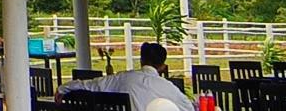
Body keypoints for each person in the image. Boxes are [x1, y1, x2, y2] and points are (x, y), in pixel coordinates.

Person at [60, 42, 195, 111]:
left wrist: (63, 88)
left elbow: (91, 84)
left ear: (141, 60)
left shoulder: (122, 78)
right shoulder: (168, 87)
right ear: (162, 66)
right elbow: (189, 108)